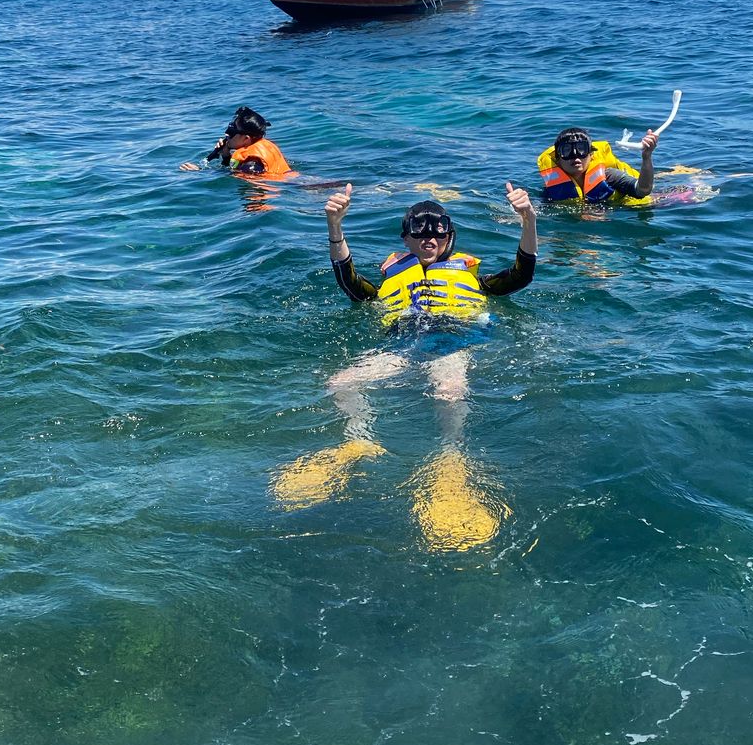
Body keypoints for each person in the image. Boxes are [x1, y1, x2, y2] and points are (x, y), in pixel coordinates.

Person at [271, 183, 538, 552]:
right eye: (420, 231)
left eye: (439, 229)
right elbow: (350, 286)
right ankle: (357, 443)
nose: (430, 237)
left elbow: (521, 275)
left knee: (448, 390)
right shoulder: (391, 278)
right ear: (406, 238)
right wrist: (335, 224)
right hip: (403, 345)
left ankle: (451, 459)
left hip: (453, 340)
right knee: (342, 382)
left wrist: (528, 220)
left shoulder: (473, 277)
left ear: (450, 234)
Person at [536, 126, 659, 206]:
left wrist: (646, 157)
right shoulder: (553, 188)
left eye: (581, 149)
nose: (575, 156)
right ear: (558, 158)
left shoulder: (609, 175)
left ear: (591, 154)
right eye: (567, 151)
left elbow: (643, 190)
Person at [180, 105, 293, 177]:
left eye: (232, 132)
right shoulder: (261, 147)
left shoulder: (251, 165)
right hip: (297, 180)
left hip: (297, 186)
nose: (226, 135)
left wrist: (200, 172)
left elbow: (236, 177)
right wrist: (225, 154)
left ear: (246, 138)